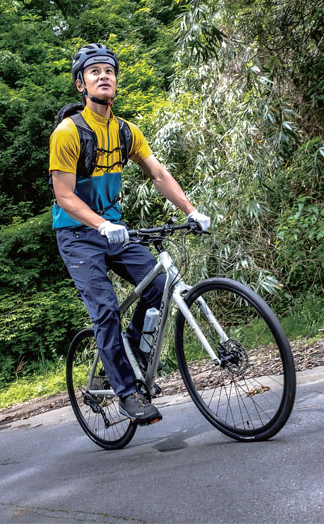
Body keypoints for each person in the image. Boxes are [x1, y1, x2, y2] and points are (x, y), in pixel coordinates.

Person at [50, 43, 210, 424]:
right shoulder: (68, 132)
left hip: (115, 233)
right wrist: (102, 223)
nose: (104, 76)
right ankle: (126, 393)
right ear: (80, 85)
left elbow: (158, 175)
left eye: (110, 71)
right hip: (77, 236)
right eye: (94, 72)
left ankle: (136, 355)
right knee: (105, 310)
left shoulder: (126, 131)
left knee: (161, 285)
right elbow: (64, 196)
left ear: (116, 82)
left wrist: (192, 211)